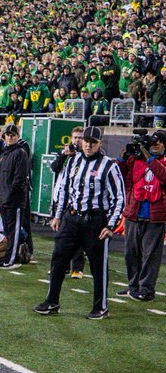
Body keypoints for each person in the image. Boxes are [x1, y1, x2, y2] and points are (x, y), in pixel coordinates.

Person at [35, 125, 126, 319]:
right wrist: (58, 215)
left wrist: (110, 225)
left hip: (95, 221)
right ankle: (52, 301)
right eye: (86, 141)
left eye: (93, 142)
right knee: (58, 259)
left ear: (100, 143)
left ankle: (100, 307)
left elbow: (119, 198)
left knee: (98, 266)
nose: (88, 145)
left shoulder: (109, 165)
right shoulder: (73, 161)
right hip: (71, 217)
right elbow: (65, 190)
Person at [118, 129, 166, 301]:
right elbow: (120, 175)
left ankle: (146, 290)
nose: (156, 145)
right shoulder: (136, 160)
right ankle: (133, 286)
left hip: (155, 216)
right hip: (134, 213)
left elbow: (163, 175)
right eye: (154, 142)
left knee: (150, 256)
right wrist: (123, 158)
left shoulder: (163, 161)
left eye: (160, 142)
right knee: (131, 253)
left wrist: (149, 158)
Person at [0, 123, 31, 268]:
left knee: (13, 230)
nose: (9, 137)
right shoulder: (4, 153)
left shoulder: (20, 153)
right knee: (8, 231)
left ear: (18, 136)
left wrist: (10, 196)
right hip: (4, 198)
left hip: (14, 199)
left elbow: (19, 179)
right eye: (7, 135)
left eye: (12, 135)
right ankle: (9, 256)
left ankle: (11, 260)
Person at [51, 125, 86, 277]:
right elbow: (54, 168)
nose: (77, 141)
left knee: (78, 236)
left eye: (80, 138)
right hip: (61, 197)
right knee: (61, 237)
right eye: (75, 138)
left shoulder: (86, 156)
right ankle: (62, 266)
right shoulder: (66, 153)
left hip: (76, 201)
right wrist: (64, 155)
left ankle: (77, 268)